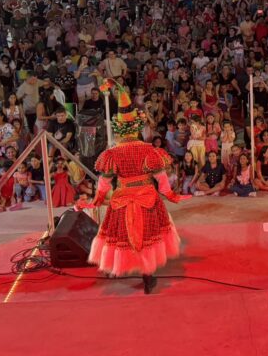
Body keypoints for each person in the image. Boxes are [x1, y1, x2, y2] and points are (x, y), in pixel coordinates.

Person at [77, 85, 189, 294]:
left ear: (119, 130)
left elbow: (104, 182)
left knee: (121, 235)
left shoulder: (112, 154)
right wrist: (171, 194)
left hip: (122, 197)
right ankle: (148, 276)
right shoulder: (148, 151)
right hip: (147, 196)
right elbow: (161, 179)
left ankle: (120, 267)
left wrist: (98, 200)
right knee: (148, 235)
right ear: (136, 128)